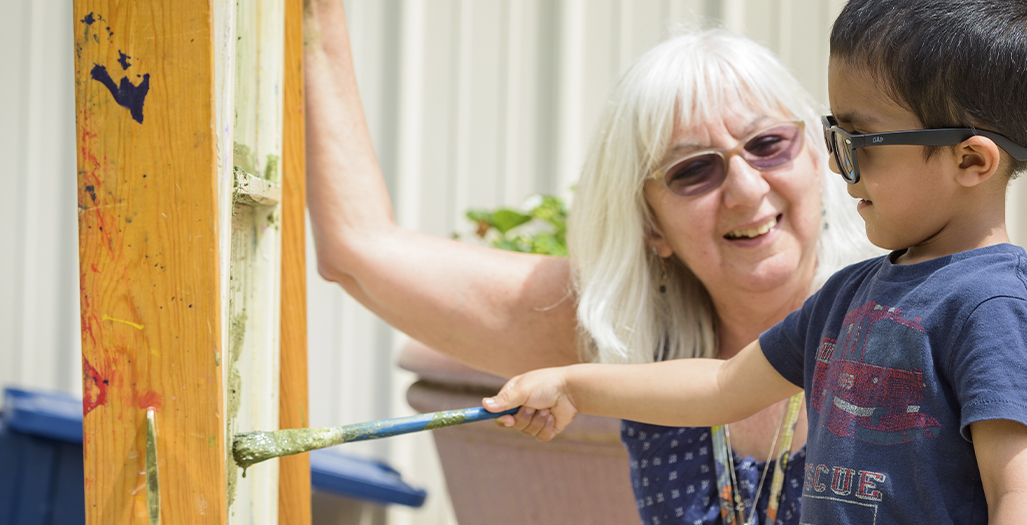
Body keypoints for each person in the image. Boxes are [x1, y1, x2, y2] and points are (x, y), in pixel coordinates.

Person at [483, 0, 1027, 523]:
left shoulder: (994, 311)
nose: (842, 168)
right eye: (833, 137)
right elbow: (719, 385)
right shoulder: (850, 296)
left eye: (859, 143)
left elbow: (1019, 491)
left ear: (971, 161)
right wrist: (571, 385)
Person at [303, 1, 877, 523]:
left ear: (816, 154)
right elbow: (359, 253)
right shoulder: (636, 336)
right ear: (652, 227)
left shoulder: (901, 311)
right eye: (692, 171)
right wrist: (316, 19)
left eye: (768, 144)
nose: (746, 189)